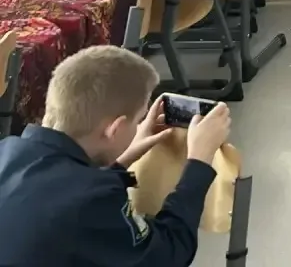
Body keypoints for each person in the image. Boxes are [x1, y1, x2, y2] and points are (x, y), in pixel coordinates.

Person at [0, 46, 232, 267]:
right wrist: (199, 161)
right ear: (115, 129)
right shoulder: (92, 201)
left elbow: (61, 188)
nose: (139, 125)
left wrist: (123, 159)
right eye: (138, 119)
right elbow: (168, 254)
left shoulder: (7, 149)